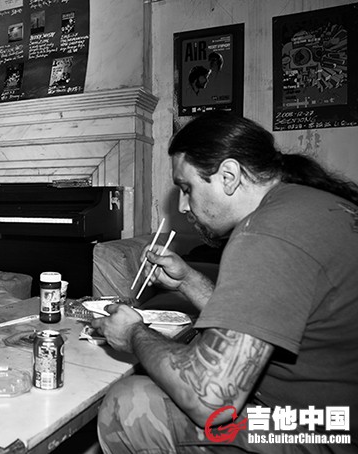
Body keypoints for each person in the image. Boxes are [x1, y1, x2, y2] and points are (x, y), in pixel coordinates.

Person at [93, 111, 358, 453]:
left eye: (187, 188)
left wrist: (133, 334)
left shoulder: (266, 232)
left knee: (130, 403)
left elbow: (210, 398)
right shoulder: (311, 204)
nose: (183, 206)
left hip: (323, 435)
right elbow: (265, 316)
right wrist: (188, 281)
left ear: (229, 176)